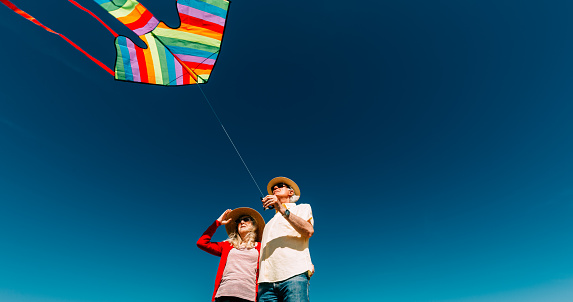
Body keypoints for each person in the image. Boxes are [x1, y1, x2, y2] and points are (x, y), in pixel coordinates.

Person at [258, 177, 315, 302]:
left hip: (294, 275)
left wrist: (282, 209)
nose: (275, 188)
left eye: (280, 185)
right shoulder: (268, 224)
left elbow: (308, 230)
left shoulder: (302, 208)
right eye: (273, 188)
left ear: (291, 192)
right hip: (265, 283)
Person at [197, 207, 266, 302]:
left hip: (249, 297)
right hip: (224, 294)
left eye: (246, 219)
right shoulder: (227, 245)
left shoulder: (261, 247)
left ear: (254, 226)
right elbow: (201, 243)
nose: (242, 222)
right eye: (239, 221)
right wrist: (218, 223)